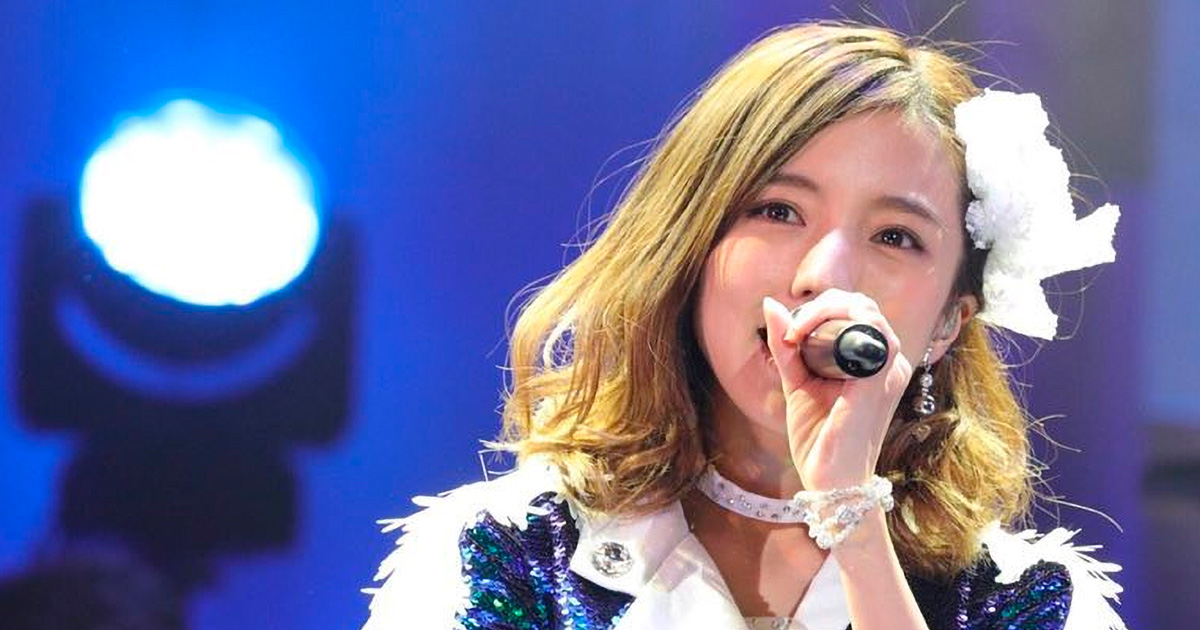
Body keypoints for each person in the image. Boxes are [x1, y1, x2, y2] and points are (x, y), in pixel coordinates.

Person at [361, 21, 1127, 630]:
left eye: (896, 236)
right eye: (778, 211)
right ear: (692, 248)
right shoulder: (504, 557)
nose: (824, 274)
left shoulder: (1026, 603)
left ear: (947, 324)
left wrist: (853, 518)